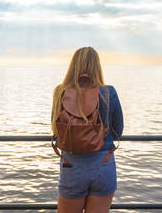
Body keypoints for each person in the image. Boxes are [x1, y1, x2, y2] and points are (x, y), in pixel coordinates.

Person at [51, 47, 124, 213]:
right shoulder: (108, 92)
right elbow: (117, 131)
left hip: (72, 166)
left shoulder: (60, 92)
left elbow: (56, 131)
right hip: (102, 163)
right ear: (97, 66)